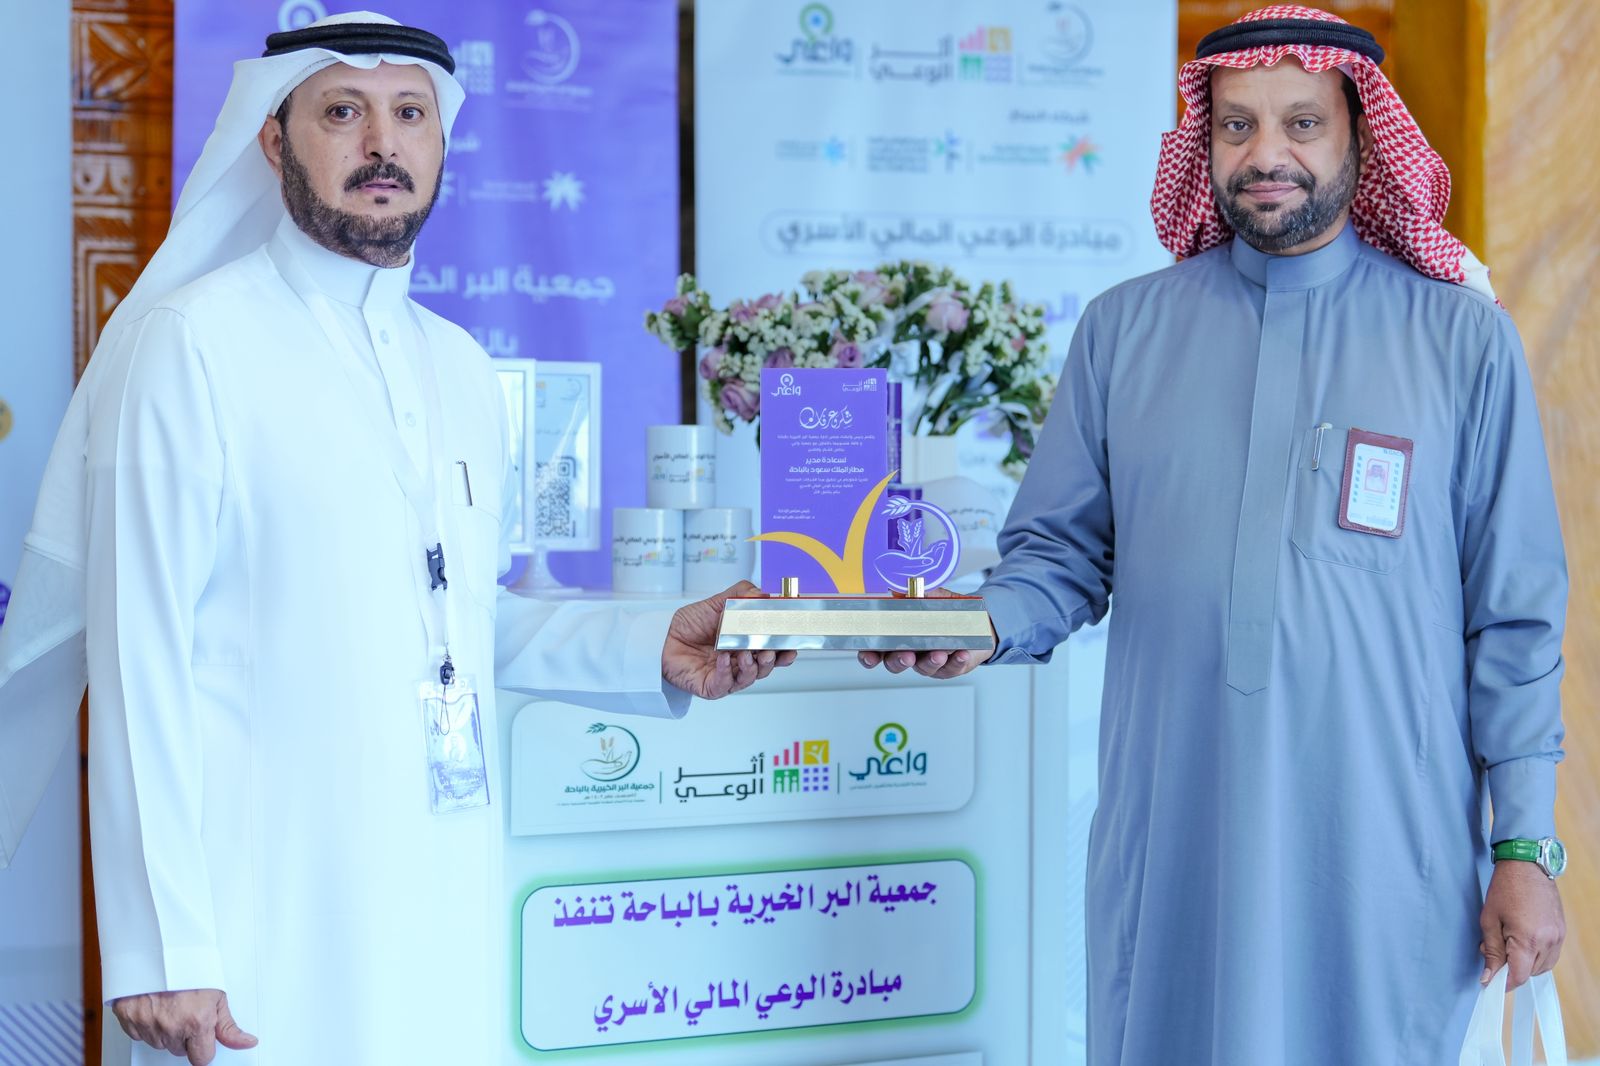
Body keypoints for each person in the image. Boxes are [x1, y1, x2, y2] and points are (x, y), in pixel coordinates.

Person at [0, 13, 789, 1065]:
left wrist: (653, 642)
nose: (382, 144)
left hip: (437, 890)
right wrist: (161, 945)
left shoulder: (458, 365)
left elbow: (460, 621)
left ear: (440, 141)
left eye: (410, 114)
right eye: (342, 112)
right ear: (274, 140)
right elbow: (137, 653)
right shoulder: (189, 344)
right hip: (253, 918)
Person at [861, 7, 1567, 1063]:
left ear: (1360, 136)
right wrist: (983, 624)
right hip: (1176, 833)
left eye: (1301, 123)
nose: (1266, 153)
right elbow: (1059, 555)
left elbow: (1514, 616)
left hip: (1381, 846)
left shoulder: (1461, 340)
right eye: (1236, 126)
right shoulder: (1124, 329)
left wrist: (1523, 845)